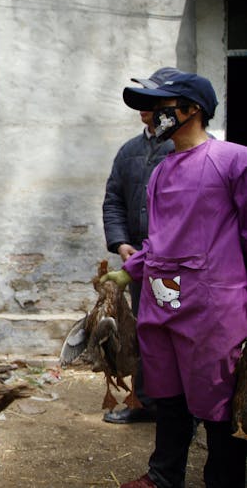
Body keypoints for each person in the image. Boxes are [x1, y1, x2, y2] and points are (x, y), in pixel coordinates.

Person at [103, 72, 247, 488]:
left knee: (218, 403)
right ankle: (164, 477)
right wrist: (126, 270)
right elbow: (162, 240)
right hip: (161, 303)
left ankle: (223, 480)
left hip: (213, 307)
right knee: (167, 398)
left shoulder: (233, 161)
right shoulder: (161, 170)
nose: (152, 115)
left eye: (163, 105)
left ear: (192, 110)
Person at [101, 67, 182, 424]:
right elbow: (114, 200)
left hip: (177, 261)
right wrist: (121, 245)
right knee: (145, 332)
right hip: (138, 261)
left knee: (177, 333)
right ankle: (144, 401)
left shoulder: (181, 148)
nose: (145, 109)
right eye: (143, 103)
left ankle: (182, 409)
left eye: (154, 102)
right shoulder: (129, 151)